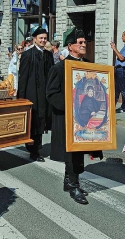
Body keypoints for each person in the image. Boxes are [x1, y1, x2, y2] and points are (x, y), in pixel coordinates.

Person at [46, 27, 103, 204]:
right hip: (67, 117)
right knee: (72, 153)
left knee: (77, 152)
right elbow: (51, 93)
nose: (84, 45)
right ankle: (74, 185)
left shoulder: (88, 66)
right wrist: (71, 106)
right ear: (70, 46)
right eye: (80, 43)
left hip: (84, 118)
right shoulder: (59, 68)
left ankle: (69, 181)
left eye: (85, 42)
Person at [18, 26, 54, 162]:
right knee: (33, 122)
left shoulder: (48, 55)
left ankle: (36, 147)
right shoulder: (28, 55)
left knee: (41, 120)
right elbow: (23, 78)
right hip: (32, 94)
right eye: (41, 38)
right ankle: (33, 149)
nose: (43, 40)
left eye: (45, 38)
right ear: (34, 39)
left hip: (44, 94)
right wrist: (21, 98)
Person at [110, 30, 125, 113]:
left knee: (123, 89)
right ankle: (112, 106)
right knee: (117, 89)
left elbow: (121, 58)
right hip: (119, 69)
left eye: (123, 36)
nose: (121, 37)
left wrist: (114, 48)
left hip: (122, 69)